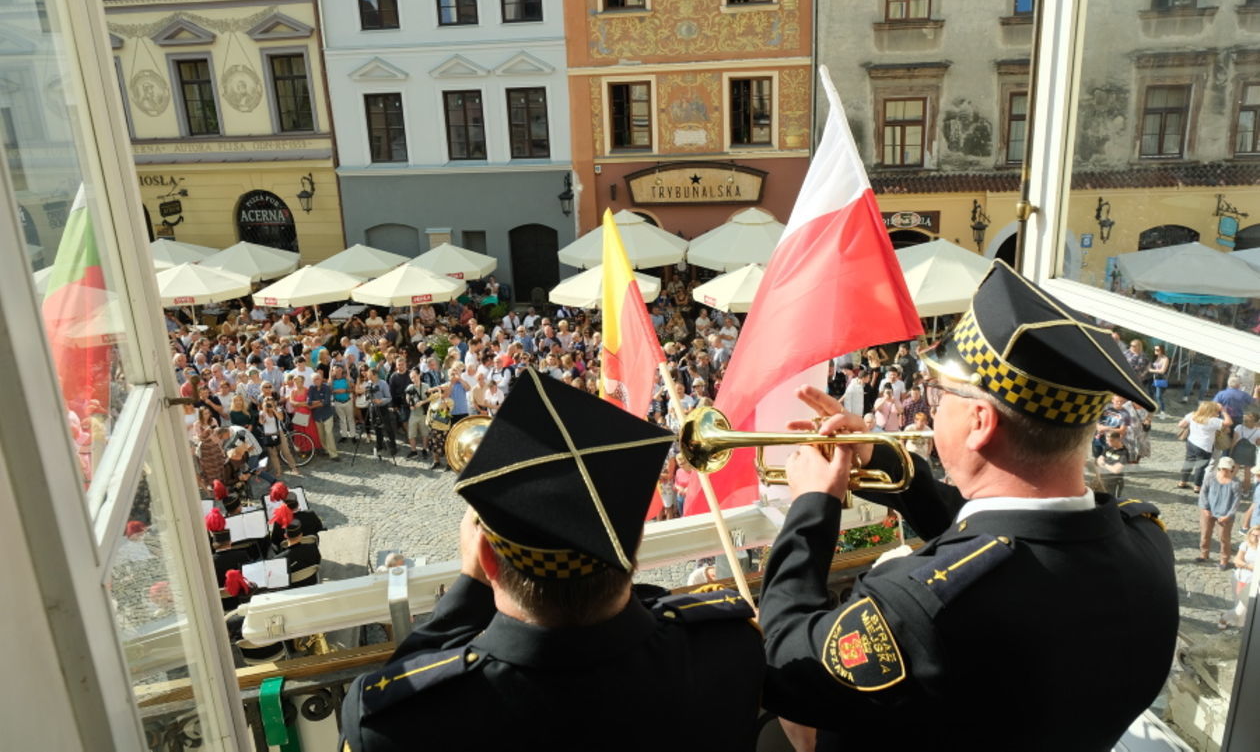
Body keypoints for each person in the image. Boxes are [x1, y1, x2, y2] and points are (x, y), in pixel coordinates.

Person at [757, 261, 1178, 751]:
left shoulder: (916, 606)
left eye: (940, 393)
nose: (932, 406)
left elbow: (781, 658)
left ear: (980, 420)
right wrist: (881, 457)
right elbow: (999, 541)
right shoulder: (1147, 540)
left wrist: (812, 506)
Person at [339, 369, 765, 752]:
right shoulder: (729, 647)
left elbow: (406, 694)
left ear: (486, 559)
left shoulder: (393, 721)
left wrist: (469, 588)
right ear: (633, 545)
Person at [1197, 457, 1241, 568]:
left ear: (1231, 469)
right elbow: (1203, 493)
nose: (1223, 471)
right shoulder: (1210, 477)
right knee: (1205, 534)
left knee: (1224, 538)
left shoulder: (1235, 483)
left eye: (1226, 469)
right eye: (1221, 468)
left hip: (1225, 514)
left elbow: (1235, 503)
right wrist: (1205, 508)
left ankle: (1224, 560)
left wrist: (1228, 516)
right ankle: (1204, 554)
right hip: (1208, 511)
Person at [1178, 401, 1231, 492]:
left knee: (1188, 462)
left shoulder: (1192, 415)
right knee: (1201, 467)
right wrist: (1224, 411)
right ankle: (1197, 486)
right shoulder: (1213, 421)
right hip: (1204, 446)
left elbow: (1181, 424)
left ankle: (1182, 481)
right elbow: (1228, 422)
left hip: (1191, 443)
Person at [1148, 344, 1170, 417]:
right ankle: (1154, 409)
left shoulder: (1165, 359)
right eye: (1155, 349)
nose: (1155, 351)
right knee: (1151, 394)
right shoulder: (1155, 357)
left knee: (1158, 396)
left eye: (1157, 350)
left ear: (1162, 350)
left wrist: (1151, 370)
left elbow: (1163, 371)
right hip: (1153, 379)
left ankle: (1162, 411)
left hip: (1160, 379)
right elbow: (1150, 366)